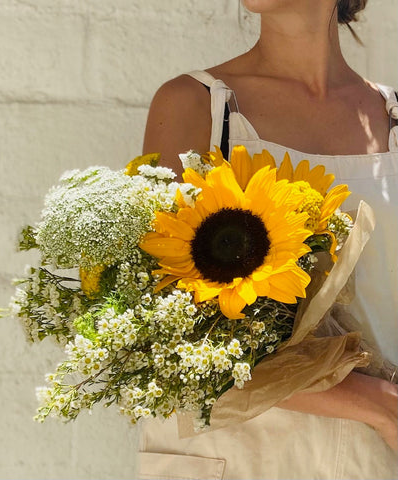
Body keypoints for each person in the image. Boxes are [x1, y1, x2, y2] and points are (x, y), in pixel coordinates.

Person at [137, 1, 398, 478]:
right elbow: (158, 324)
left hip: (375, 457)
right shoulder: (199, 106)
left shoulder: (393, 118)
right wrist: (380, 405)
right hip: (240, 453)